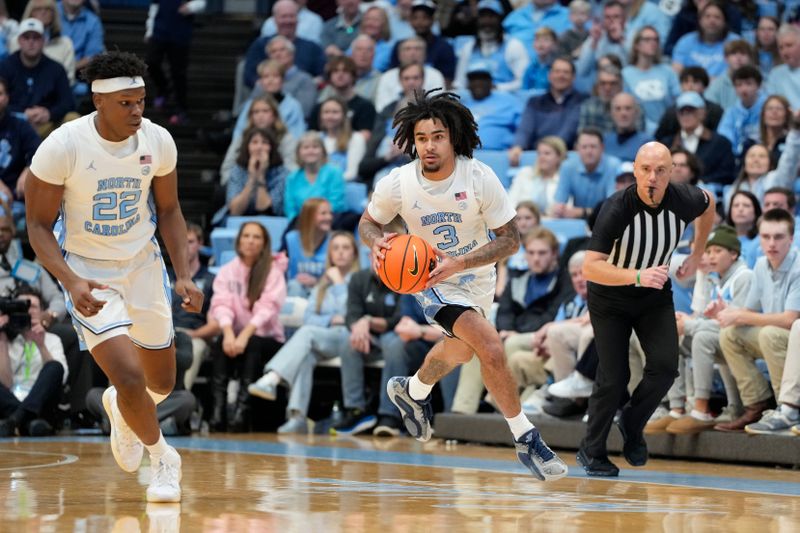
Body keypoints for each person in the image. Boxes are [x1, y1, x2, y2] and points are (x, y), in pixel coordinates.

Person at [359, 89, 568, 481]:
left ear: (452, 136)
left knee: (463, 352)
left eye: (437, 136)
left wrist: (463, 262)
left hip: (477, 276)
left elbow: (510, 240)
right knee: (490, 346)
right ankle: (526, 438)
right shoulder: (399, 183)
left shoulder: (479, 176)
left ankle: (414, 390)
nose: (429, 145)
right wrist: (377, 242)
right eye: (421, 138)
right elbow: (368, 222)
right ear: (412, 141)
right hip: (431, 279)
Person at [24, 51, 204, 502]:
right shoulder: (62, 146)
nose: (137, 111)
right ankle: (163, 458)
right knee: (126, 376)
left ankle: (124, 413)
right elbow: (38, 227)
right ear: (98, 101)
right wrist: (69, 280)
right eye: (126, 103)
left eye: (141, 101)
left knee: (160, 383)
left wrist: (182, 273)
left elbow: (169, 210)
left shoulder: (158, 141)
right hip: (88, 271)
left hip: (143, 266)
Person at [578, 141, 715, 477]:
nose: (652, 177)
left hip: (653, 295)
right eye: (645, 169)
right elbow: (590, 267)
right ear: (635, 170)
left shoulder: (684, 198)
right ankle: (591, 450)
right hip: (611, 296)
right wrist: (636, 275)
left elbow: (710, 204)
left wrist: (697, 254)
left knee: (666, 367)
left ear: (672, 173)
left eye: (660, 170)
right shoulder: (616, 208)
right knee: (615, 377)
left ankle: (632, 422)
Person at [248, 231, 360, 434]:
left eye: (346, 248)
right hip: (321, 339)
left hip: (347, 340)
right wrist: (330, 319)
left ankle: (272, 378)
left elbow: (351, 317)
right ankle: (297, 417)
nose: (341, 253)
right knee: (305, 355)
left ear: (354, 253)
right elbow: (308, 317)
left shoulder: (358, 281)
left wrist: (340, 285)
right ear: (330, 254)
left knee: (307, 333)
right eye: (336, 248)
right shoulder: (322, 285)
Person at [715, 208, 800, 432]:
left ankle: (789, 408)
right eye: (765, 237)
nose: (771, 243)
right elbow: (747, 310)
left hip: (793, 340)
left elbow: (791, 320)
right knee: (730, 334)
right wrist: (727, 311)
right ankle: (756, 404)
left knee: (769, 333)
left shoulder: (798, 266)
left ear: (791, 239)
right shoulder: (761, 264)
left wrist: (741, 315)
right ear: (759, 238)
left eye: (779, 237)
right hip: (777, 338)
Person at [207, 222, 286, 433]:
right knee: (219, 345)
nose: (250, 241)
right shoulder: (226, 271)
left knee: (251, 344)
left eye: (257, 237)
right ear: (239, 240)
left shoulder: (273, 272)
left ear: (264, 243)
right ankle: (218, 412)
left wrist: (243, 337)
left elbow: (266, 309)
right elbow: (221, 305)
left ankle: (241, 412)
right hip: (236, 335)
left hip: (267, 339)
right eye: (247, 236)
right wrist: (228, 334)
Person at [0, 287, 67, 437]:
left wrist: (41, 344)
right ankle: (28, 423)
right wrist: (2, 341)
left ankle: (15, 420)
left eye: (32, 306)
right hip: (10, 402)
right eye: (21, 307)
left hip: (43, 405)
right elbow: (6, 384)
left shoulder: (52, 340)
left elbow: (60, 378)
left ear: (42, 311)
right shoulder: (5, 340)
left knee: (55, 366)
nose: (28, 311)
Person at [0, 18, 76, 138]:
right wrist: (23, 113)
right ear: (19, 41)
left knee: (72, 118)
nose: (31, 42)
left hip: (47, 125)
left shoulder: (56, 68)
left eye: (36, 37)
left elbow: (68, 102)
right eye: (26, 37)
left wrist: (49, 113)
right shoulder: (5, 66)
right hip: (13, 124)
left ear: (43, 41)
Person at [144, 0, 206, 125]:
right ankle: (164, 89)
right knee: (151, 61)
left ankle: (181, 109)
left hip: (180, 32)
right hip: (159, 29)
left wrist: (190, 6)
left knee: (178, 72)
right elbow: (154, 7)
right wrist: (149, 30)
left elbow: (202, 2)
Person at [224, 127, 289, 219]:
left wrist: (260, 175)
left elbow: (265, 210)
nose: (259, 147)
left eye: (264, 143)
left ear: (272, 148)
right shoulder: (237, 170)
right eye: (254, 142)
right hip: (239, 220)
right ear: (247, 147)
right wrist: (252, 178)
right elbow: (235, 211)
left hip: (270, 221)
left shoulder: (282, 173)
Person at [507, 136, 566, 215]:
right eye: (539, 153)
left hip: (553, 222)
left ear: (559, 157)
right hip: (521, 221)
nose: (542, 157)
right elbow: (510, 203)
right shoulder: (525, 173)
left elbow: (564, 208)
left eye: (547, 153)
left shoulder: (564, 179)